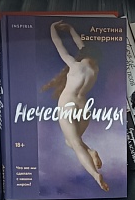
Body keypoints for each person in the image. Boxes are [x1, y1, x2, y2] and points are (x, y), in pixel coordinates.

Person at [41, 20, 109, 190]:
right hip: (83, 106)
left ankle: (95, 175)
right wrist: (71, 30)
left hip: (68, 103)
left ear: (83, 53)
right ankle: (91, 152)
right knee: (71, 141)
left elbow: (59, 44)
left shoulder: (74, 64)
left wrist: (52, 28)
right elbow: (83, 47)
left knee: (76, 144)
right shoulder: (96, 69)